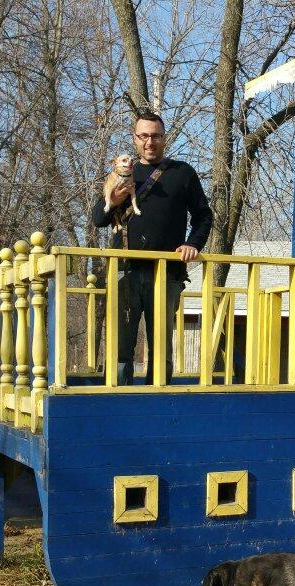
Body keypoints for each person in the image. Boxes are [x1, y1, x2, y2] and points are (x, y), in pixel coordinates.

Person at [91, 112, 213, 385]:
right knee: (121, 347)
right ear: (135, 139)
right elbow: (99, 219)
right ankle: (118, 402)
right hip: (125, 271)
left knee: (161, 348)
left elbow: (204, 216)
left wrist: (193, 244)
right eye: (143, 136)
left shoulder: (182, 173)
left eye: (155, 136)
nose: (150, 142)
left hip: (167, 273)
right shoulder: (122, 174)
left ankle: (157, 404)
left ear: (164, 138)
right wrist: (114, 198)